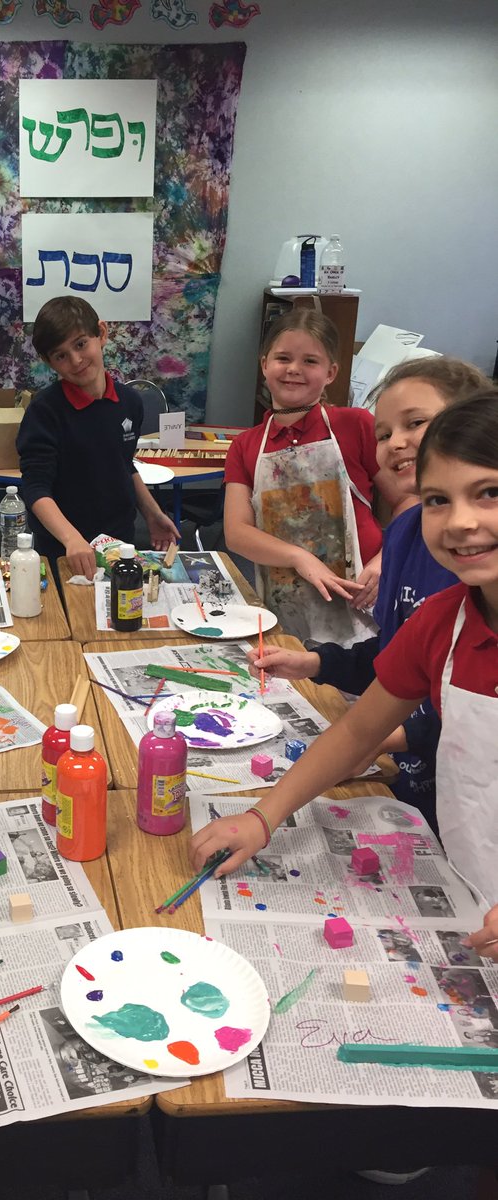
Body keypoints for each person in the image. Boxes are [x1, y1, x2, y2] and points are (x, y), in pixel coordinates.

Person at [190, 389, 498, 958]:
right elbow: (359, 731)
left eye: (489, 493)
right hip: (472, 886)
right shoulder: (441, 622)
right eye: (437, 499)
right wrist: (264, 816)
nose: (461, 521)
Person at [249, 357, 489, 820]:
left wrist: (391, 735)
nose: (396, 442)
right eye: (383, 433)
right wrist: (318, 662)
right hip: (431, 801)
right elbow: (402, 661)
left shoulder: (468, 570)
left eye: (416, 422)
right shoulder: (419, 562)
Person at [224, 308, 403, 645]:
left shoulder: (356, 424)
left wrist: (386, 559)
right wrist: (300, 557)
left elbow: (410, 501)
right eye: (283, 358)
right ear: (264, 364)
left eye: (310, 361)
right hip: (285, 605)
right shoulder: (245, 446)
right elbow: (235, 533)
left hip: (365, 597)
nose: (294, 369)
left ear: (331, 372)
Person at [16, 296, 180, 579]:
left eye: (81, 344)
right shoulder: (44, 411)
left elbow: (124, 464)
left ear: (101, 334)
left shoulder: (130, 402)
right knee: (69, 620)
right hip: (64, 549)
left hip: (119, 543)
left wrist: (152, 513)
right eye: (61, 355)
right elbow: (35, 488)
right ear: (49, 362)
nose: (76, 360)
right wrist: (71, 539)